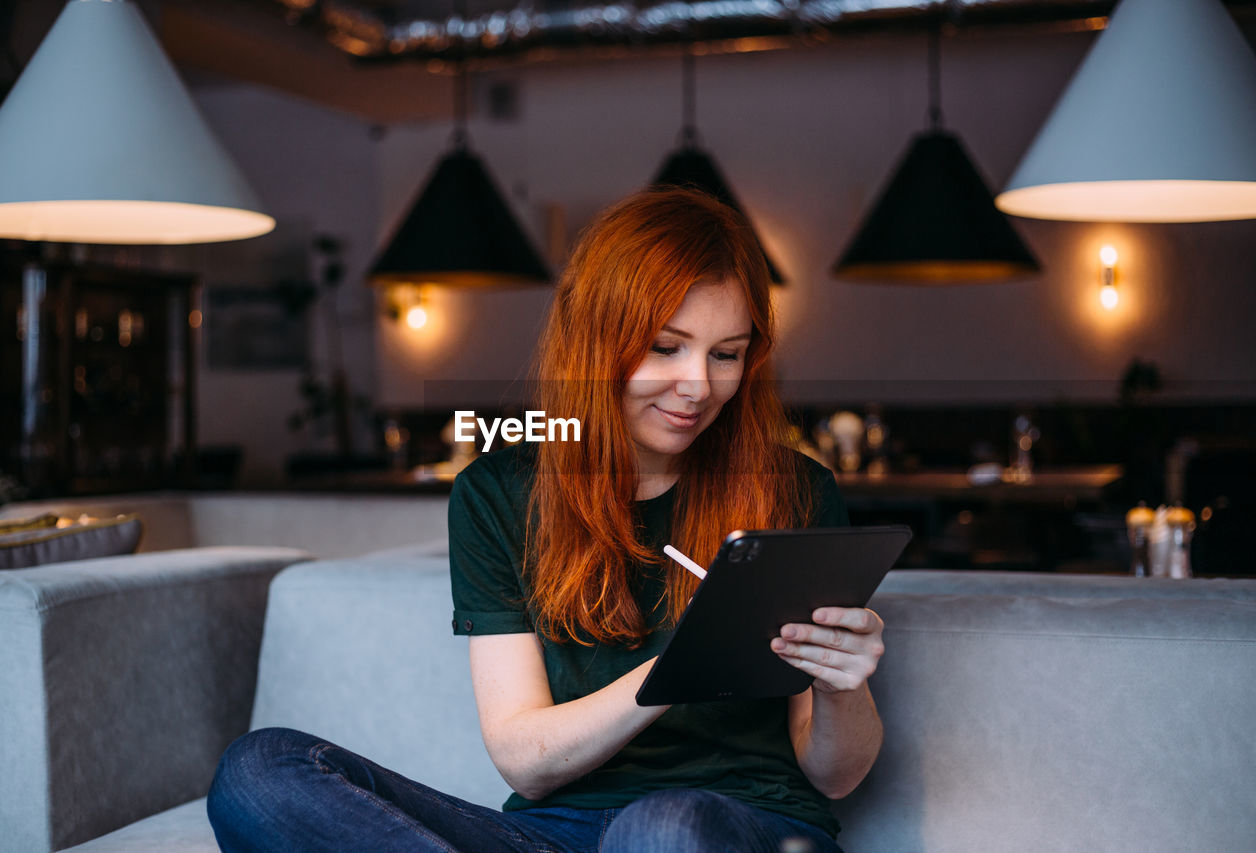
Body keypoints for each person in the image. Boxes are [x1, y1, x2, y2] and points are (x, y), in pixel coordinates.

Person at [206, 187, 886, 852]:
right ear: (597, 341)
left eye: (726, 353)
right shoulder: (497, 495)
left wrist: (841, 685)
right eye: (665, 346)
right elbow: (525, 759)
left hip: (737, 825)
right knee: (258, 773)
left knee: (661, 827)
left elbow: (836, 771)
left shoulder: (793, 489)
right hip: (550, 834)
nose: (698, 385)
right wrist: (676, 670)